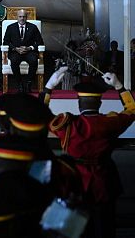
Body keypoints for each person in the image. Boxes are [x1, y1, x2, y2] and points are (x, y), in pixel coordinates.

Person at [45, 70, 135, 238]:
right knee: (104, 225)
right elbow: (132, 109)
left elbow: (41, 115)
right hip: (104, 181)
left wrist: (48, 88)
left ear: (79, 103)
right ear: (100, 103)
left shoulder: (67, 125)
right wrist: (119, 86)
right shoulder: (110, 122)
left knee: (76, 228)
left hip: (75, 183)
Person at [2, 9, 44, 93]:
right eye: (20, 16)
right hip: (15, 51)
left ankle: (28, 83)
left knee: (34, 60)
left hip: (29, 51)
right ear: (17, 17)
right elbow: (5, 42)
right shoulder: (11, 27)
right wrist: (15, 48)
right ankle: (19, 84)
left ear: (26, 17)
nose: (22, 18)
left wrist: (29, 48)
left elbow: (40, 42)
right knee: (14, 61)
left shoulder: (33, 27)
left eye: (24, 17)